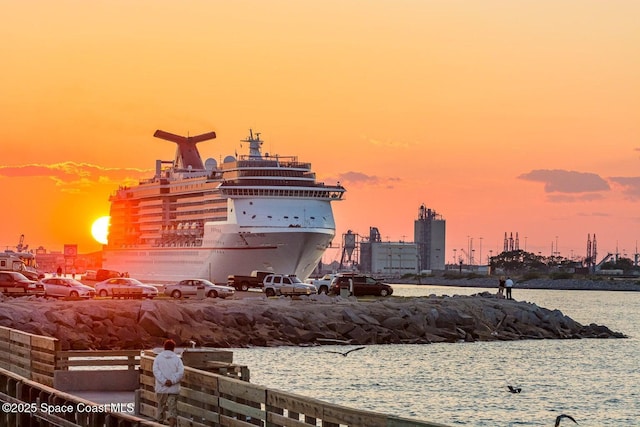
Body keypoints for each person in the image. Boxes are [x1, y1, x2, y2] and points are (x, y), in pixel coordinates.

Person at [153, 339, 184, 427]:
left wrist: (164, 381)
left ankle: (159, 424)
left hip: (161, 388)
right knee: (172, 409)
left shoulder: (158, 358)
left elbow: (156, 371)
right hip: (173, 389)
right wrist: (172, 380)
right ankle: (172, 425)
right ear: (173, 348)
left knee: (160, 407)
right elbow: (180, 372)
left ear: (164, 348)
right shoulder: (177, 359)